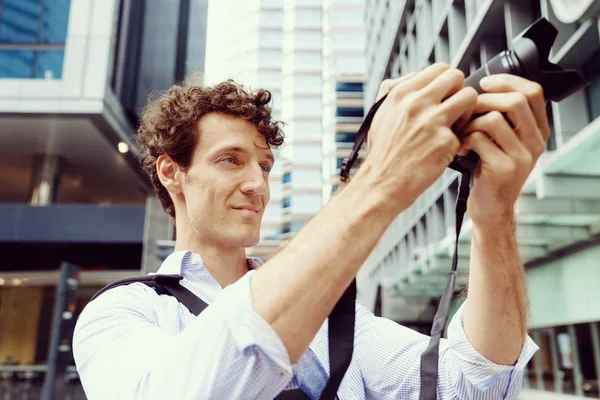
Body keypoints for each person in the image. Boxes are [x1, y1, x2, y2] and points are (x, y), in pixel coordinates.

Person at [73, 62, 547, 399]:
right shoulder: (121, 313)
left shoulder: (331, 317)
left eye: (264, 165)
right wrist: (381, 179)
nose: (258, 184)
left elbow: (472, 383)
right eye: (230, 160)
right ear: (172, 172)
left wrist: (494, 216)